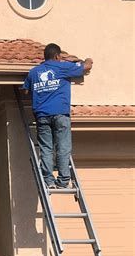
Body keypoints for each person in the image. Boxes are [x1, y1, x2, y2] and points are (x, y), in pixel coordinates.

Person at [23, 43, 93, 189]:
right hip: (60, 114)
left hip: (41, 115)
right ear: (57, 56)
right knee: (62, 147)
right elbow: (85, 67)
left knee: (46, 148)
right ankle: (62, 181)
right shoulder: (62, 68)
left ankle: (49, 181)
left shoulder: (34, 72)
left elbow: (25, 92)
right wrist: (88, 60)